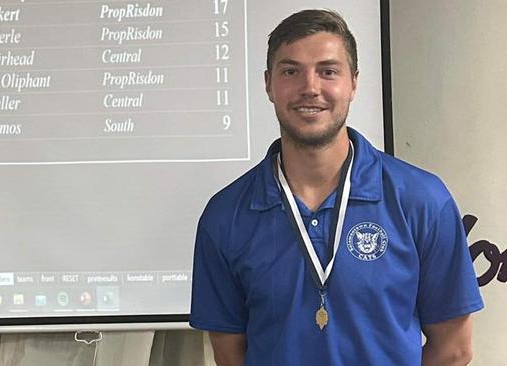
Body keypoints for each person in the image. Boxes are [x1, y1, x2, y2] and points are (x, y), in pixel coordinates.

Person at [190, 9, 483, 366]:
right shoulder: (225, 215)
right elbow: (229, 355)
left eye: (328, 71)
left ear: (354, 83)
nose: (309, 87)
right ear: (268, 84)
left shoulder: (422, 200)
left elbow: (454, 350)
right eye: (290, 71)